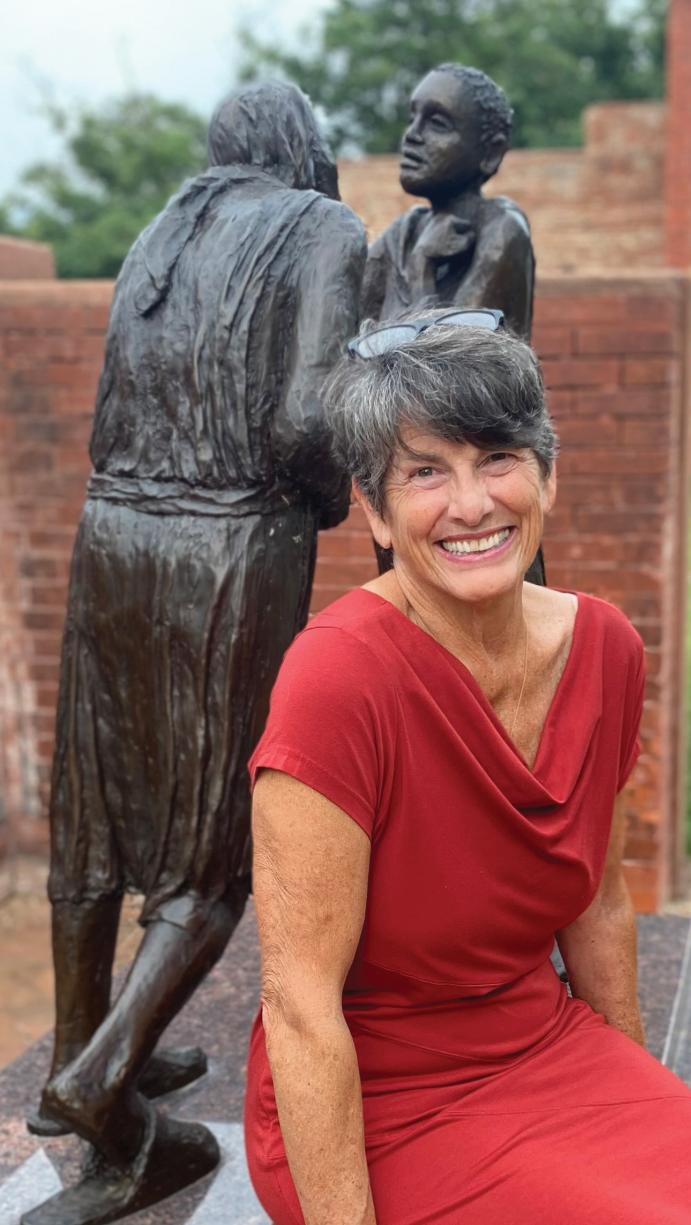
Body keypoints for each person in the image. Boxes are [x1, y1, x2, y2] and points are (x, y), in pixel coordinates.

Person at [244, 311, 691, 1225]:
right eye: (425, 471)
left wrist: (637, 1105)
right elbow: (299, 1003)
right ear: (377, 514)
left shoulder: (607, 647)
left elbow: (598, 901)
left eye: (496, 457)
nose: (470, 504)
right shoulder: (339, 678)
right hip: (377, 1106)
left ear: (547, 473)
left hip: (543, 1044)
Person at [24, 82, 365, 1225]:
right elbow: (308, 422)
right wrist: (322, 505)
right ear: (304, 153)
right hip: (228, 548)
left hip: (113, 534)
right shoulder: (321, 227)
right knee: (210, 852)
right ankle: (100, 1086)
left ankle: (84, 1041)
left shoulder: (160, 229)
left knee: (100, 806)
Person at [361, 64, 535, 338]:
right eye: (412, 118)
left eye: (437, 124)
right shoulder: (403, 233)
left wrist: (422, 270)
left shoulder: (502, 231)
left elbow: (450, 364)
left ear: (491, 153)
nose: (412, 135)